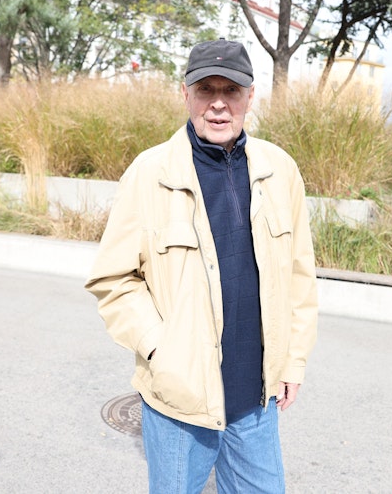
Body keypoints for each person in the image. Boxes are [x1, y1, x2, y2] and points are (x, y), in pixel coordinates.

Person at [85, 39, 318, 494]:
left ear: (250, 96)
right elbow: (113, 279)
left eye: (231, 90)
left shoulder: (280, 170)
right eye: (205, 89)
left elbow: (299, 276)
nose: (218, 104)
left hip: (256, 400)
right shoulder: (149, 173)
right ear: (185, 93)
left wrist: (292, 361)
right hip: (179, 402)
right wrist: (161, 349)